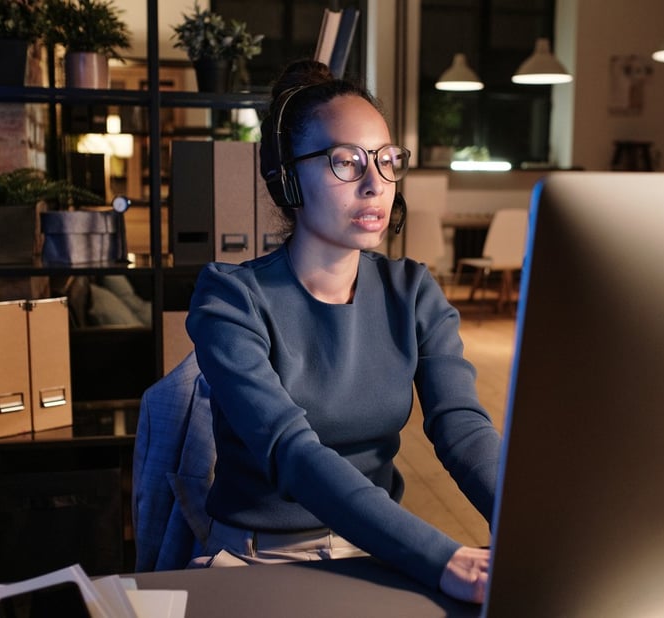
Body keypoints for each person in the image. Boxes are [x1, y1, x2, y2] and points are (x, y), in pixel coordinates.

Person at [185, 60, 502, 604]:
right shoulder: (230, 298)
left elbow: (463, 431)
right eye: (346, 162)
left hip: (377, 551)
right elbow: (292, 452)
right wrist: (441, 556)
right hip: (260, 560)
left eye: (385, 161)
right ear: (288, 177)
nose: (375, 184)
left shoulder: (413, 290)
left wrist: (532, 531)